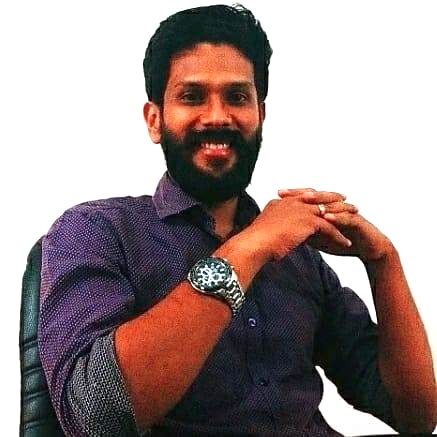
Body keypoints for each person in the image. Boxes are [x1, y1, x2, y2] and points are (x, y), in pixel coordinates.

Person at [38, 4, 436, 436]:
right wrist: (249, 248)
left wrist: (383, 261)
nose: (217, 116)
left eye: (237, 97)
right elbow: (97, 415)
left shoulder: (299, 258)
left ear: (260, 115)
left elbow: (416, 417)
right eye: (192, 97)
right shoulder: (96, 232)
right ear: (155, 120)